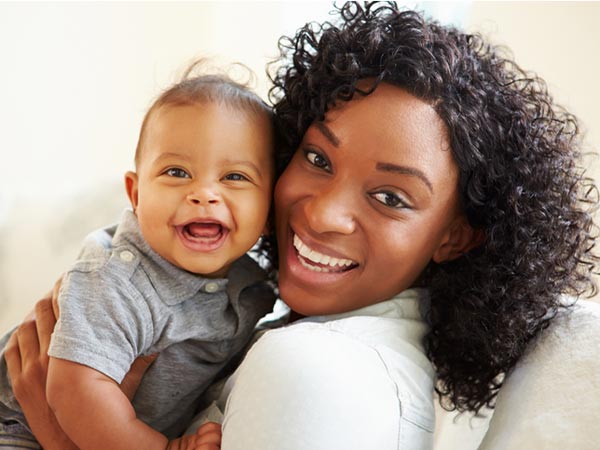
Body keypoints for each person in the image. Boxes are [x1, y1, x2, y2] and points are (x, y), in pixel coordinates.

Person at [4, 3, 598, 449]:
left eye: (390, 196)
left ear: (457, 234)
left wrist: (62, 442)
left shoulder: (314, 373)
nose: (319, 214)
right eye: (316, 159)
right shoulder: (252, 295)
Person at [0, 68, 277, 450]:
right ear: (135, 193)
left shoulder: (253, 287)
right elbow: (74, 391)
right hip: (17, 429)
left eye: (234, 177)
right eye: (177, 172)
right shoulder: (116, 279)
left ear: (268, 210)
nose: (204, 193)